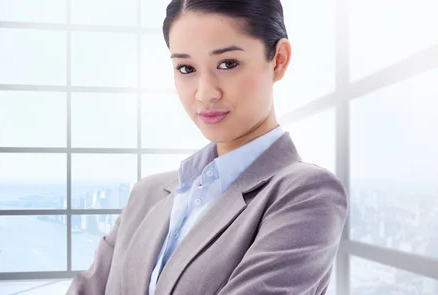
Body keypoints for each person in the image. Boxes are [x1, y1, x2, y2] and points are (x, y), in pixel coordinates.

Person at [66, 0, 348, 294]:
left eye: (227, 64)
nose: (205, 93)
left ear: (279, 59)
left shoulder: (306, 194)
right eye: (186, 68)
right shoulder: (146, 195)